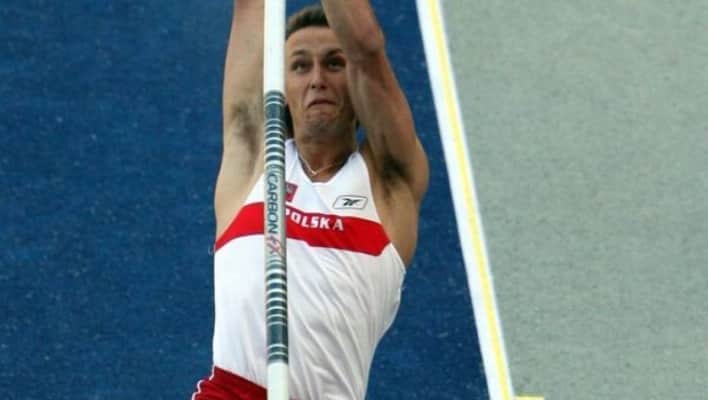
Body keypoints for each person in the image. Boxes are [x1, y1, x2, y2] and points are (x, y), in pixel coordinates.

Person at [192, 1, 429, 399]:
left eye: (334, 64)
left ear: (356, 84)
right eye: (300, 66)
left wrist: (354, 53)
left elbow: (366, 47)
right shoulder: (254, 163)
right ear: (281, 88)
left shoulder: (388, 182)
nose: (317, 79)